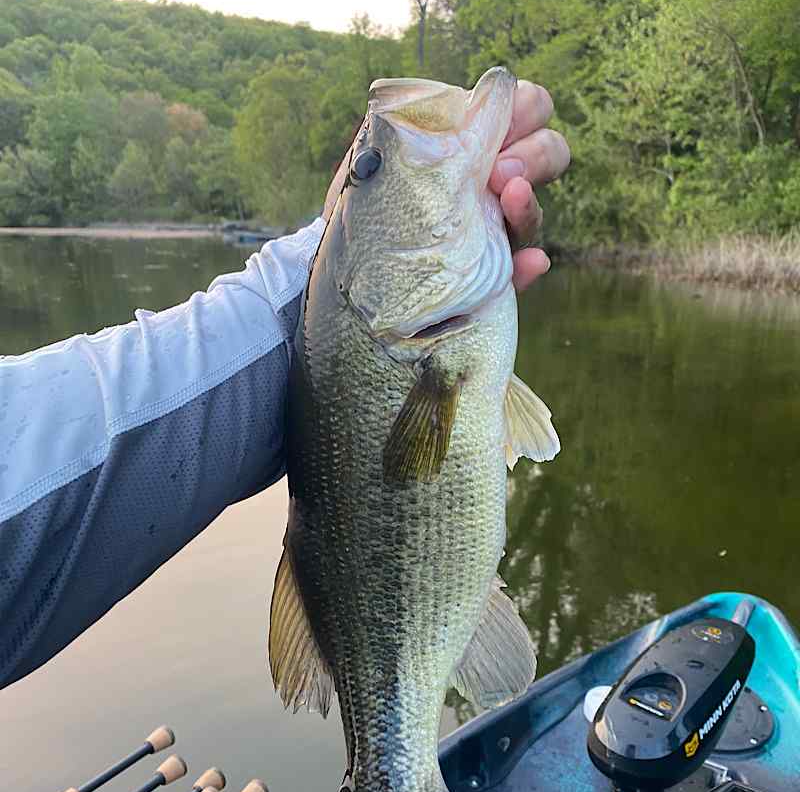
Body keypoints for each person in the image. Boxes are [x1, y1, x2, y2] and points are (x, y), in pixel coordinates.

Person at [0, 81, 570, 691]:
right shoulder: (403, 326)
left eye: (366, 168)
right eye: (368, 170)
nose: (370, 152)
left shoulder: (389, 314)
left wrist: (317, 268)